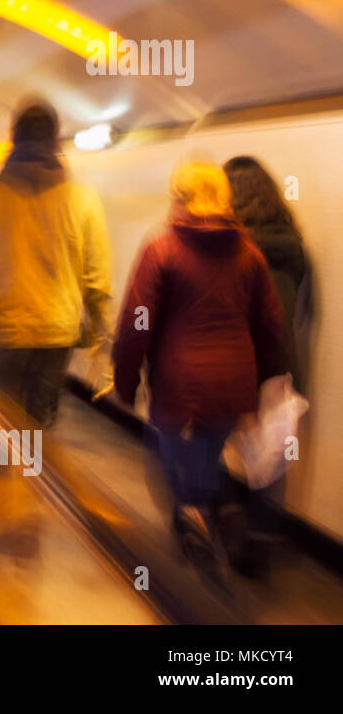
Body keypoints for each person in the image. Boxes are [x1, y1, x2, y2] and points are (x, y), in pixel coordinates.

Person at [113, 161, 286, 579]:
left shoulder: (162, 248)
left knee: (172, 459)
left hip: (180, 386)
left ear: (179, 198)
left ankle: (196, 538)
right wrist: (266, 384)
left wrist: (126, 377)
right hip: (232, 387)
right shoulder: (249, 253)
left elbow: (139, 318)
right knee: (206, 455)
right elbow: (271, 325)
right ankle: (205, 517)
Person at [0, 98, 112, 426]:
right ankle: (33, 473)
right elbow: (97, 274)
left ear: (13, 138)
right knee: (39, 429)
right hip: (56, 333)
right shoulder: (81, 196)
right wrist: (99, 327)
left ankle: (5, 476)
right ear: (56, 140)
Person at [221, 155, 313, 576]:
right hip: (281, 363)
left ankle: (222, 521)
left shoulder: (233, 249)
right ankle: (259, 542)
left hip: (237, 358)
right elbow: (302, 313)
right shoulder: (294, 246)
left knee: (218, 439)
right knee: (272, 455)